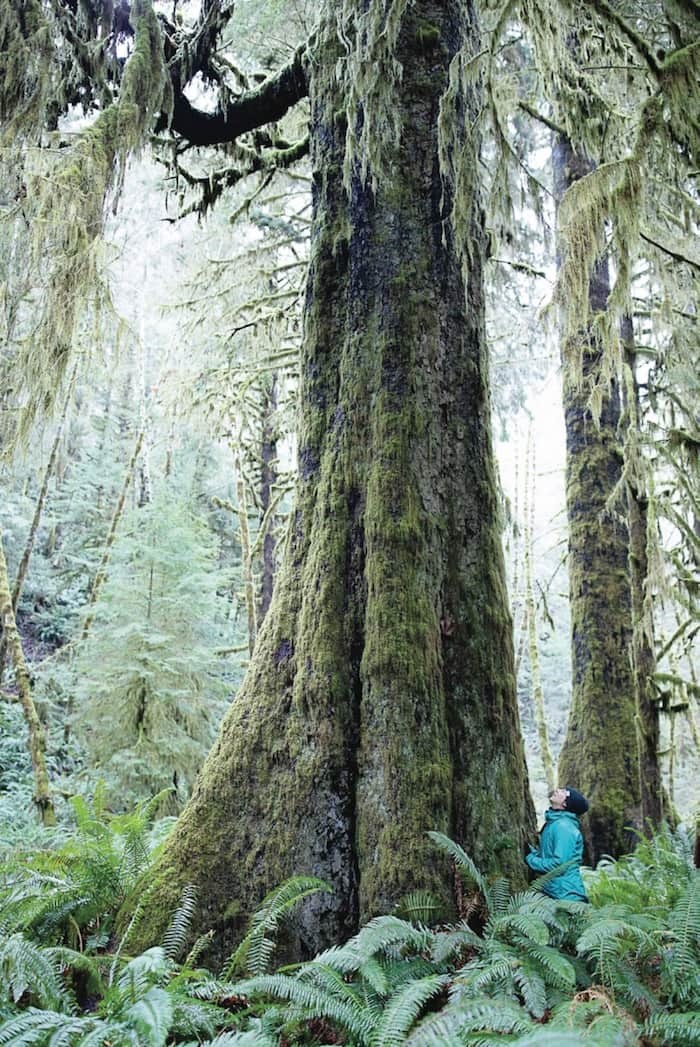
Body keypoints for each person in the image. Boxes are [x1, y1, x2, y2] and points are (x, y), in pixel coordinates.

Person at [526, 786, 589, 901]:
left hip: (566, 895)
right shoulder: (555, 823)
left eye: (565, 792)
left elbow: (558, 865)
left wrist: (530, 859)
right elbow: (551, 855)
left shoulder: (564, 827)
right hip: (558, 892)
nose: (558, 790)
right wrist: (534, 854)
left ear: (565, 804)